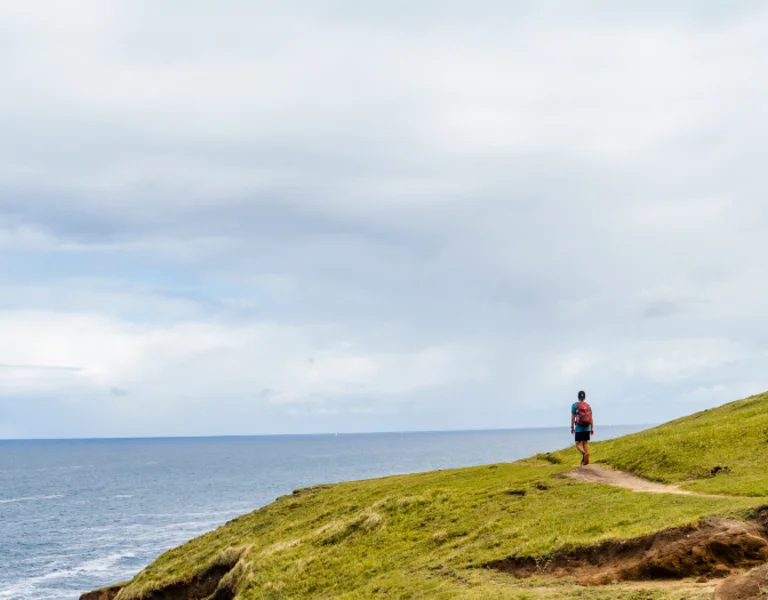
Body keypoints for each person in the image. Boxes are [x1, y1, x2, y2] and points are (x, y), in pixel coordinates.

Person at [571, 390, 594, 465]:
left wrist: (572, 428)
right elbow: (591, 417)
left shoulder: (575, 405)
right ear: (584, 397)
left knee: (578, 444)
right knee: (585, 443)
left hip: (579, 427)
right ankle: (585, 461)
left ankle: (584, 454)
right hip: (587, 427)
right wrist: (592, 428)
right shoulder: (588, 406)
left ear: (578, 397)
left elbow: (573, 417)